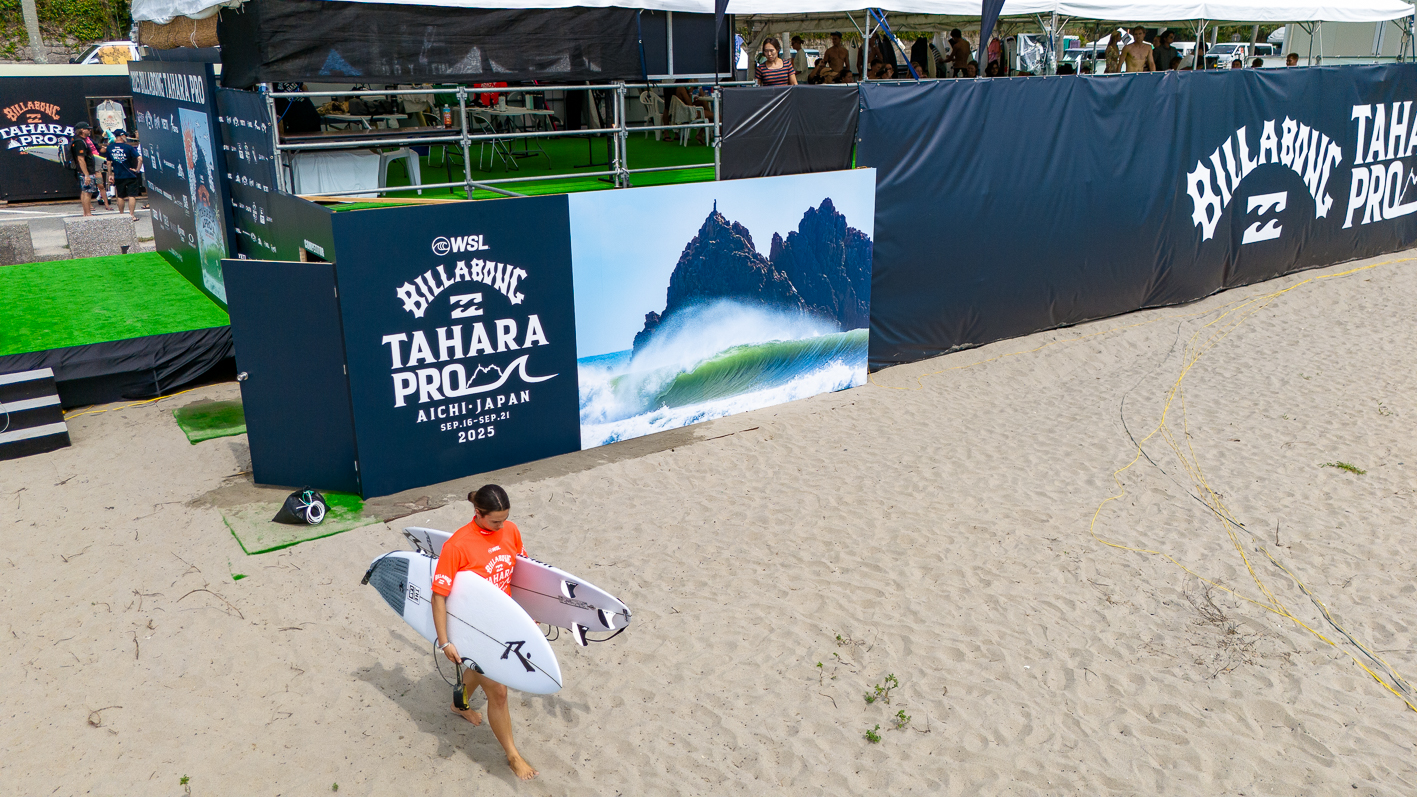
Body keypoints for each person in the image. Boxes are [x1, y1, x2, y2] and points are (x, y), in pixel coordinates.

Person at [433, 485, 538, 781]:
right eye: (495, 521)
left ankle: (458, 704)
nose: (501, 526)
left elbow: (521, 574)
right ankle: (513, 756)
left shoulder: (511, 531)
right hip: (474, 627)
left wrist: (529, 614)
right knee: (499, 692)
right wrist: (445, 642)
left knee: (479, 672)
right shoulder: (457, 545)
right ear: (477, 513)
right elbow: (438, 596)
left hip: (503, 620)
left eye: (505, 519)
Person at [105, 130, 143, 221]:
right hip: (130, 174)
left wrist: (110, 174)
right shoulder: (128, 147)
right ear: (122, 136)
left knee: (120, 196)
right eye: (125, 136)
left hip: (118, 174)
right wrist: (137, 170)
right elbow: (140, 159)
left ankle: (121, 214)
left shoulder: (109, 148)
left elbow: (108, 163)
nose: (126, 137)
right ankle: (131, 215)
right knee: (131, 195)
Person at [69, 122, 102, 216]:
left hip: (88, 170)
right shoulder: (80, 142)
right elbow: (81, 159)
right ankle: (87, 213)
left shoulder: (81, 140)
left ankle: (87, 212)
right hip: (87, 171)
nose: (89, 130)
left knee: (86, 191)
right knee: (87, 192)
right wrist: (87, 174)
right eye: (88, 129)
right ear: (82, 130)